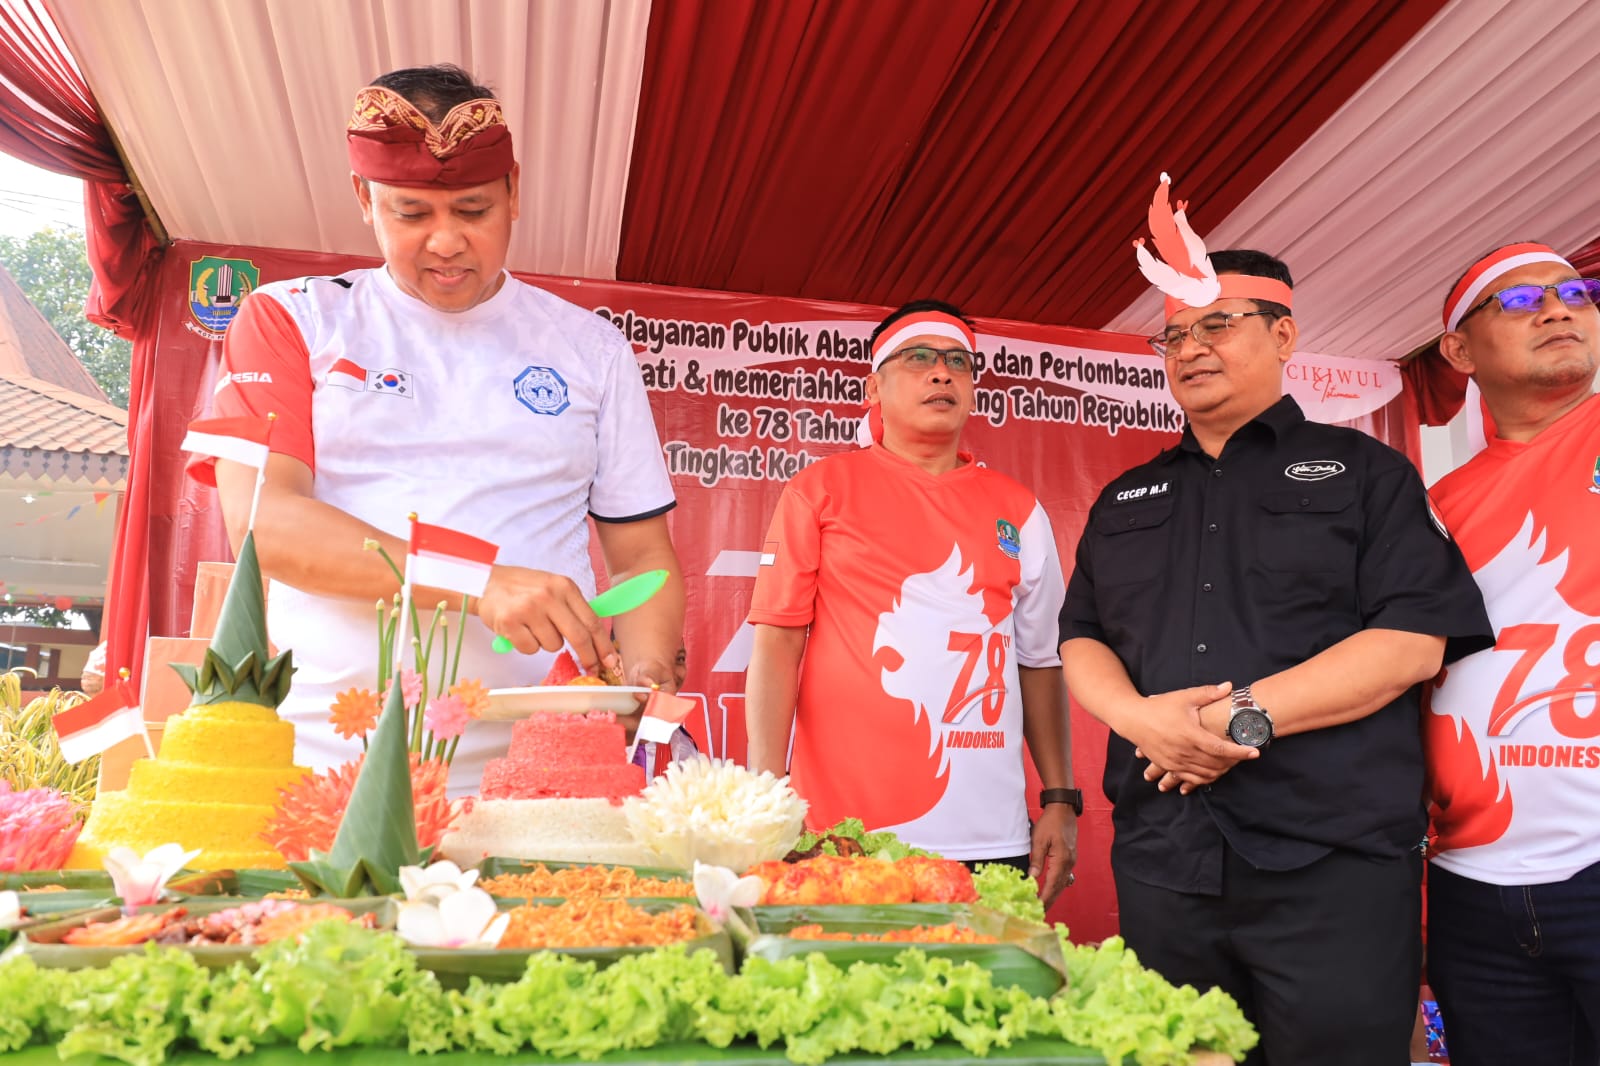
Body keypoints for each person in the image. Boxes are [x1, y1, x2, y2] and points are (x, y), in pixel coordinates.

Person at [1059, 178, 1494, 1066]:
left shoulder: (1365, 472)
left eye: (1218, 323)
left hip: (1331, 862)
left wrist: (1235, 719)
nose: (1190, 348)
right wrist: (1143, 722)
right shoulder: (1124, 496)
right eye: (1174, 334)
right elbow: (1082, 638)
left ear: (1284, 335)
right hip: (1163, 859)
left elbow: (1413, 639)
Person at [189, 65, 683, 794]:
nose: (446, 241)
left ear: (514, 192)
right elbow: (268, 526)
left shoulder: (592, 350)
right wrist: (479, 583)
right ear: (364, 198)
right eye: (412, 213)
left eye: (474, 210)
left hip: (549, 774)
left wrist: (643, 671)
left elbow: (643, 558)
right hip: (333, 765)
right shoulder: (292, 317)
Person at [744, 299, 1077, 904]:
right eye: (918, 358)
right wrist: (767, 800)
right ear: (874, 386)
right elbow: (776, 643)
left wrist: (1059, 797)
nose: (942, 373)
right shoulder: (821, 490)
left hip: (989, 839)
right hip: (848, 835)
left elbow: (1041, 662)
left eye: (958, 362)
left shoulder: (1019, 509)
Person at [1424, 242, 1600, 1066]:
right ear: (1459, 351)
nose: (1561, 308)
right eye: (1522, 302)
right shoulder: (1433, 506)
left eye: (1576, 291)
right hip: (1471, 887)